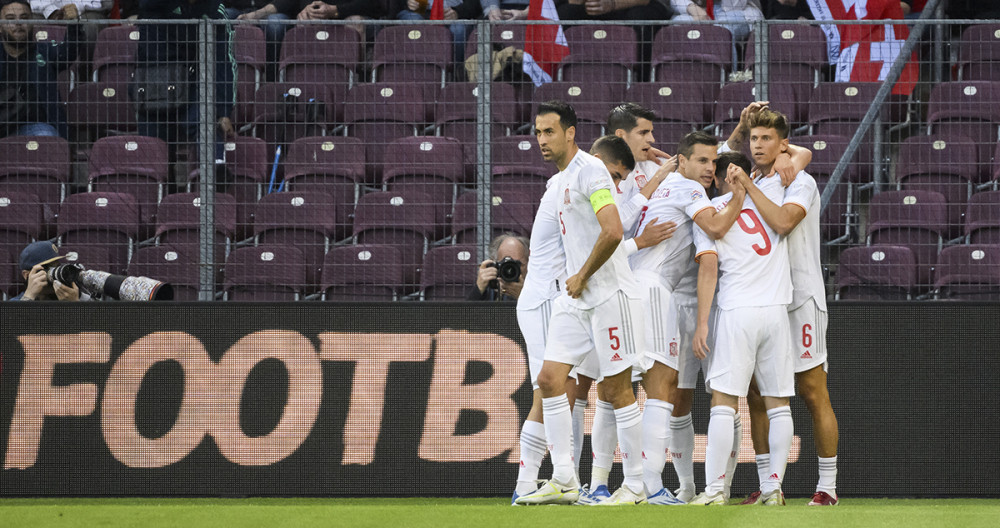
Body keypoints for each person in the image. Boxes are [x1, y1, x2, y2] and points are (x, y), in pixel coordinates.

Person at [514, 100, 645, 506]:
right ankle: (566, 478)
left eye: (549, 132)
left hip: (607, 294)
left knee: (617, 390)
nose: (542, 140)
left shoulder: (591, 171)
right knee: (551, 380)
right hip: (576, 299)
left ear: (570, 133)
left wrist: (583, 274)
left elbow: (612, 230)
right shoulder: (558, 182)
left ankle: (637, 485)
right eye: (537, 132)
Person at [728, 107, 840, 507]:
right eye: (753, 139)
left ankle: (827, 486)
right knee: (758, 394)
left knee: (812, 391)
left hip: (802, 299)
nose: (757, 146)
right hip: (765, 299)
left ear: (782, 145)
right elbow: (721, 157)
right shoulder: (752, 177)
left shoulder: (800, 181)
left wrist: (794, 158)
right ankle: (767, 484)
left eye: (766, 140)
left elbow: (783, 223)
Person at [688, 115, 795, 507]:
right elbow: (799, 157)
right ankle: (772, 490)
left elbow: (709, 267)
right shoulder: (775, 197)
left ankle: (715, 491)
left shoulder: (713, 209)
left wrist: (702, 325)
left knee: (724, 402)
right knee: (778, 402)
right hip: (776, 312)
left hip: (736, 312)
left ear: (717, 178)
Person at [134, 0, 235, 183]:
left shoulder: (214, 10)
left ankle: (216, 169)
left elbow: (223, 62)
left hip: (191, 81)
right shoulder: (153, 7)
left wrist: (224, 110)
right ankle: (161, 199)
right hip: (154, 83)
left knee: (204, 118)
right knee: (153, 157)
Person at [0, 0, 78, 139]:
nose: (18, 23)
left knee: (46, 137)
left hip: (36, 126)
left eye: (24, 18)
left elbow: (68, 53)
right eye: (10, 19)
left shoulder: (44, 51)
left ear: (32, 23)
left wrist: (74, 25)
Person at [396, 0, 483, 65]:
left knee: (459, 30)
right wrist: (407, 2)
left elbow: (475, 4)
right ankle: (416, 69)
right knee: (414, 22)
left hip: (454, 14)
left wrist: (458, 12)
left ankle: (455, 72)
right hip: (420, 11)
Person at [11, 241, 88, 301]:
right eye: (47, 268)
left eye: (57, 267)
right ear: (26, 275)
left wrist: (75, 303)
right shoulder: (14, 303)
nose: (53, 273)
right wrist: (29, 296)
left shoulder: (70, 296)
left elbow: (95, 321)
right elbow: (15, 320)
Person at [468, 232, 529, 301]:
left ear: (528, 265)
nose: (510, 270)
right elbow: (466, 311)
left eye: (517, 264)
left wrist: (523, 296)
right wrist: (478, 290)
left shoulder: (538, 289)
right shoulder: (490, 288)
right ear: (496, 265)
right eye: (505, 264)